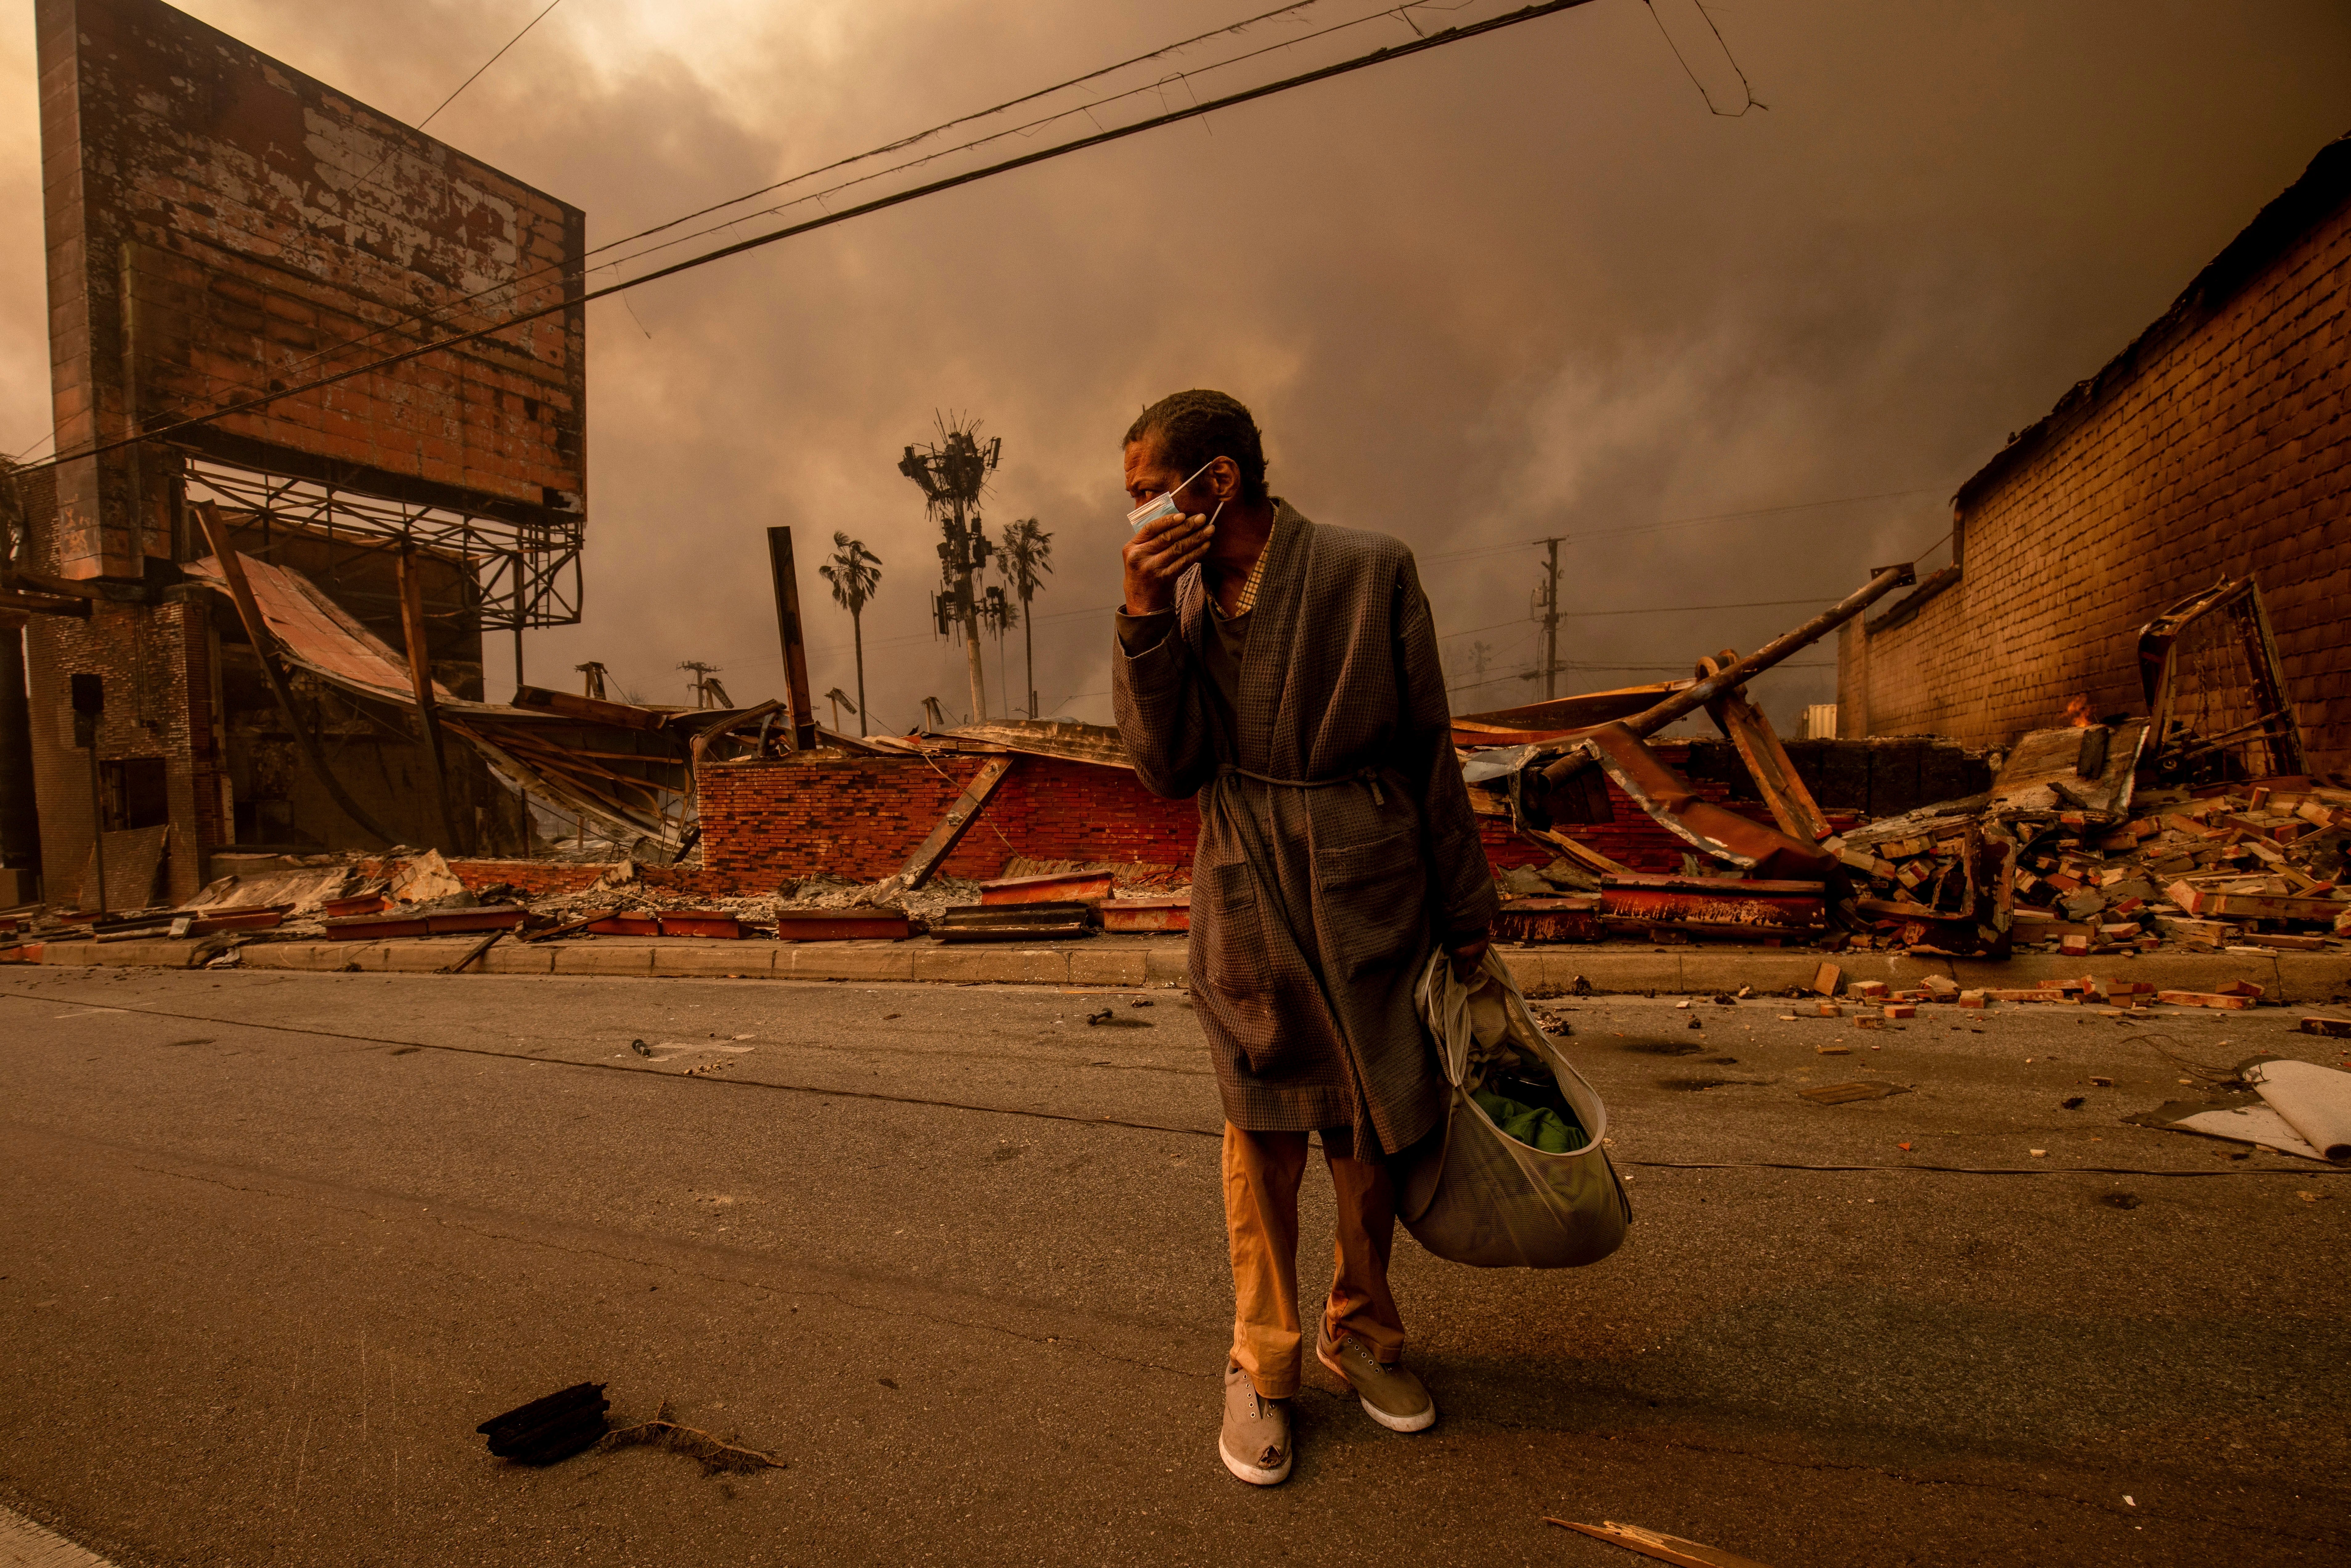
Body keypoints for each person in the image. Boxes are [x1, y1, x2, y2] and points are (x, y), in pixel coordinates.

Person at [1111, 389, 1496, 1487]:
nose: (1139, 517)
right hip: (1244, 888)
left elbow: (1429, 749)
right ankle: (1262, 1363)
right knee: (1261, 1141)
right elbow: (1165, 768)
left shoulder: (1372, 570)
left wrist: (1465, 913)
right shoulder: (1178, 606)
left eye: (1149, 494)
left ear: (1216, 480)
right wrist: (1140, 615)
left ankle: (1362, 1335)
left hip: (1370, 882)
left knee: (1368, 1141)